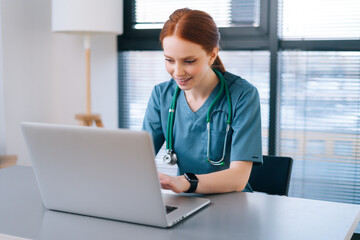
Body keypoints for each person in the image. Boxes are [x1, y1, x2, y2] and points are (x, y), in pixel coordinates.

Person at [142, 8, 262, 194]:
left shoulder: (243, 95)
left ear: (212, 54)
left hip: (233, 205)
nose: (178, 72)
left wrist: (186, 182)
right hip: (185, 202)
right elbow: (138, 159)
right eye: (169, 60)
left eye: (189, 61)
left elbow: (238, 178)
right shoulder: (161, 95)